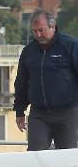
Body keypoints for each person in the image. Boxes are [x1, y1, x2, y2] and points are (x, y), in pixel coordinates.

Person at [13, 8, 78, 151]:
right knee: (35, 157)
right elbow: (21, 82)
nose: (38, 35)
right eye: (34, 31)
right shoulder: (28, 52)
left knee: (68, 158)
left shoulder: (71, 46)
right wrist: (19, 111)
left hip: (68, 113)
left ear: (53, 27)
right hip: (39, 114)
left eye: (41, 30)